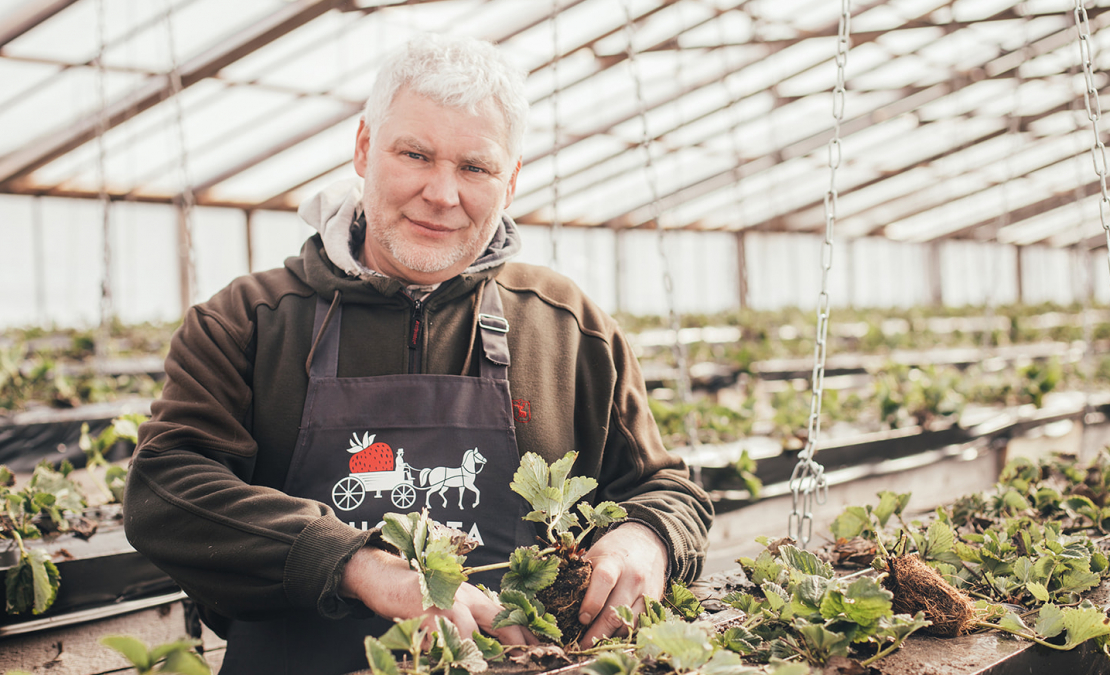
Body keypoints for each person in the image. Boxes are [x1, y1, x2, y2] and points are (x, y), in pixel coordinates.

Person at [123, 34, 712, 675]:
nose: (442, 192)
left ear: (510, 182)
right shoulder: (250, 321)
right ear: (364, 148)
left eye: (475, 168)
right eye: (416, 154)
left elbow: (666, 488)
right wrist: (356, 564)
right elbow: (165, 489)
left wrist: (649, 536)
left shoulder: (564, 325)